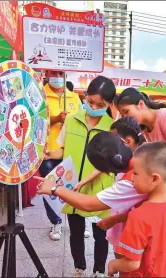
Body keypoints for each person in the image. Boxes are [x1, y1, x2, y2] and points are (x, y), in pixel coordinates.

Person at [36, 117, 166, 278]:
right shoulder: (164, 153)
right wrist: (116, 219)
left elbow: (89, 204)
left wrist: (53, 188)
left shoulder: (133, 181)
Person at [45, 75, 116, 277]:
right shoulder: (71, 119)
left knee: (100, 234)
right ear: (84, 96)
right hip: (72, 184)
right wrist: (51, 153)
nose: (92, 107)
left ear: (109, 104)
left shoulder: (112, 128)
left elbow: (108, 163)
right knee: (75, 232)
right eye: (90, 101)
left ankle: (99, 270)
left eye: (99, 104)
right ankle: (79, 268)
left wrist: (86, 181)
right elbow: (63, 150)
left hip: (100, 188)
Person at [108, 142, 166, 277]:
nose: (131, 178)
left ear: (154, 178)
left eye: (135, 173)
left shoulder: (138, 216)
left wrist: (113, 264)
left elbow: (132, 263)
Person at [40, 69, 84, 241]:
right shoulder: (41, 95)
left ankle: (77, 220)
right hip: (48, 152)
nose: (57, 77)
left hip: (70, 150)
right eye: (54, 73)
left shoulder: (73, 97)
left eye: (60, 74)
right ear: (46, 73)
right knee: (50, 187)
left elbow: (83, 121)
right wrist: (56, 119)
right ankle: (56, 221)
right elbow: (35, 121)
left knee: (74, 185)